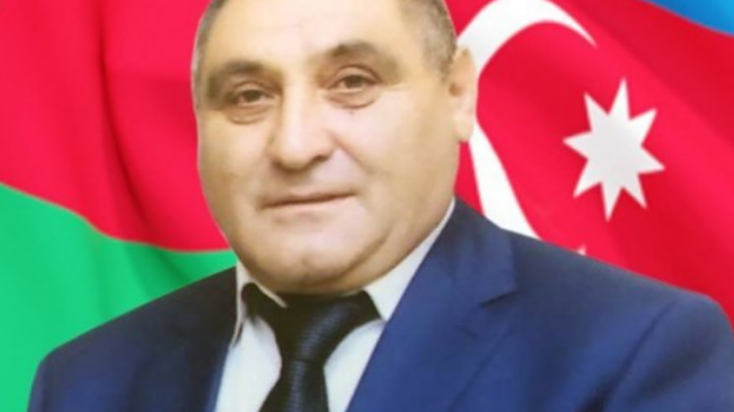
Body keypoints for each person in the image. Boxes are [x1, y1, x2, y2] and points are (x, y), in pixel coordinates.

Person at [28, 0, 734, 410]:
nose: (296, 144)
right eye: (248, 96)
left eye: (353, 82)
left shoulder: (637, 353)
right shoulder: (85, 383)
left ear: (457, 95)